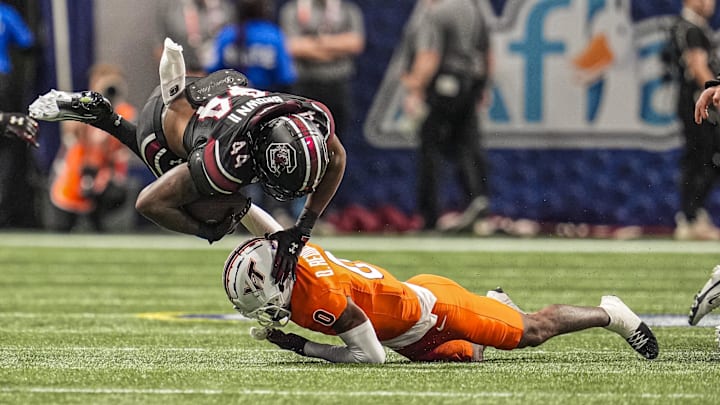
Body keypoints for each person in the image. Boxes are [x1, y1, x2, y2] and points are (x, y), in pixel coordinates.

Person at [29, 38, 346, 282]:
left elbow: (337, 157)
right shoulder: (227, 160)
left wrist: (303, 228)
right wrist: (205, 231)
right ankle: (107, 118)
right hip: (162, 125)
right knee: (218, 207)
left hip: (213, 89)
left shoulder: (309, 117)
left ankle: (175, 93)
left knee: (220, 188)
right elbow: (148, 203)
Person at [222, 208, 659, 363]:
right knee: (469, 355)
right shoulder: (292, 260)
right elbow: (264, 223)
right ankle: (494, 303)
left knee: (531, 332)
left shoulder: (320, 297)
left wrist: (303, 348)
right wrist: (234, 199)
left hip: (437, 311)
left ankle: (611, 313)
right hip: (407, 333)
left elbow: (370, 358)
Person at [402, 0, 493, 233]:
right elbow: (488, 53)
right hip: (469, 83)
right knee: (467, 144)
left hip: (443, 84)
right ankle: (477, 201)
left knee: (431, 146)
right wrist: (484, 86)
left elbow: (429, 55)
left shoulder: (436, 13)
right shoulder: (474, 10)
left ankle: (430, 215)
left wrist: (415, 88)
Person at [48, 64, 135, 232]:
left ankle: (99, 221)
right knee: (61, 224)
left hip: (105, 173)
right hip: (77, 173)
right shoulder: (82, 105)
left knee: (112, 195)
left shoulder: (125, 112)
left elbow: (123, 148)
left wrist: (111, 112)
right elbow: (71, 130)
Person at [667, 0, 720, 240]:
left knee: (701, 159)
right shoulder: (692, 28)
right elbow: (698, 67)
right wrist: (714, 89)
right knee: (704, 159)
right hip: (698, 101)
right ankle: (690, 216)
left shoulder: (683, 26)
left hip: (692, 99)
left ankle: (691, 214)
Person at [279, 0, 365, 139]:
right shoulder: (292, 10)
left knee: (337, 137)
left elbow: (355, 43)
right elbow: (292, 46)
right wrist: (334, 49)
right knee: (302, 137)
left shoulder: (348, 10)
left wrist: (315, 43)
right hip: (305, 85)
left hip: (337, 85)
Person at [206, 0, 296, 92]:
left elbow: (212, 72)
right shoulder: (273, 35)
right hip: (267, 99)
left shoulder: (226, 35)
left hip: (233, 99)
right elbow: (286, 77)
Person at [0, 1, 36, 228]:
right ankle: (3, 212)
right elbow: (28, 43)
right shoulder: (5, 12)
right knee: (6, 149)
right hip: (2, 79)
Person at [154, 0, 237, 75]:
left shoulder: (225, 6)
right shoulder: (170, 6)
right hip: (184, 76)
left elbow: (235, 46)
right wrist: (181, 77)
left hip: (219, 77)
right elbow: (160, 48)